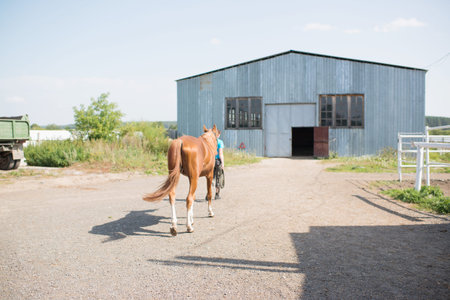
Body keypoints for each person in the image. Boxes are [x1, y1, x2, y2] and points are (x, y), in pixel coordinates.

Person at [214, 130, 224, 199]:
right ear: (219, 135)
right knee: (218, 177)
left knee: (210, 177)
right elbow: (220, 154)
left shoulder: (210, 142)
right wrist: (222, 163)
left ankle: (208, 194)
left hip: (211, 161)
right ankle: (217, 194)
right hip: (217, 161)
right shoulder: (220, 142)